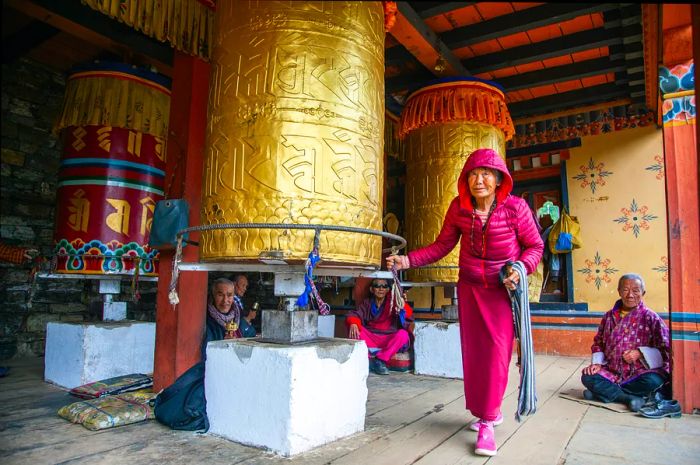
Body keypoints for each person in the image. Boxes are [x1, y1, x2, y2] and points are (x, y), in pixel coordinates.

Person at [386, 148, 543, 457]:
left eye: (486, 173)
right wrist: (407, 260)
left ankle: (487, 422)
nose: (479, 179)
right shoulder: (459, 208)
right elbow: (442, 245)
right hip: (470, 289)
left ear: (499, 179)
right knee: (475, 355)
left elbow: (535, 246)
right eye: (472, 174)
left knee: (497, 352)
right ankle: (486, 411)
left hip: (501, 291)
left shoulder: (516, 208)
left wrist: (520, 269)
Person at [581, 274, 671, 414]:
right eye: (625, 290)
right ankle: (628, 398)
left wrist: (641, 353)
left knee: (654, 380)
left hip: (639, 373)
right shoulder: (609, 317)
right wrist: (597, 364)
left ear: (643, 293)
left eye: (636, 290)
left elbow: (666, 349)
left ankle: (603, 394)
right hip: (612, 371)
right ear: (618, 291)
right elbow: (598, 342)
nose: (630, 295)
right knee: (588, 376)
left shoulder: (651, 317)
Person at [346, 278, 413, 375]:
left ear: (388, 290)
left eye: (384, 286)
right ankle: (370, 360)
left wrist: (403, 305)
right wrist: (353, 322)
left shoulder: (393, 302)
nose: (381, 289)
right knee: (354, 328)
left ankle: (380, 359)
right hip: (372, 337)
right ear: (371, 289)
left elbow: (408, 315)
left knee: (403, 335)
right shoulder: (367, 303)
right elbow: (355, 314)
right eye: (377, 286)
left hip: (388, 338)